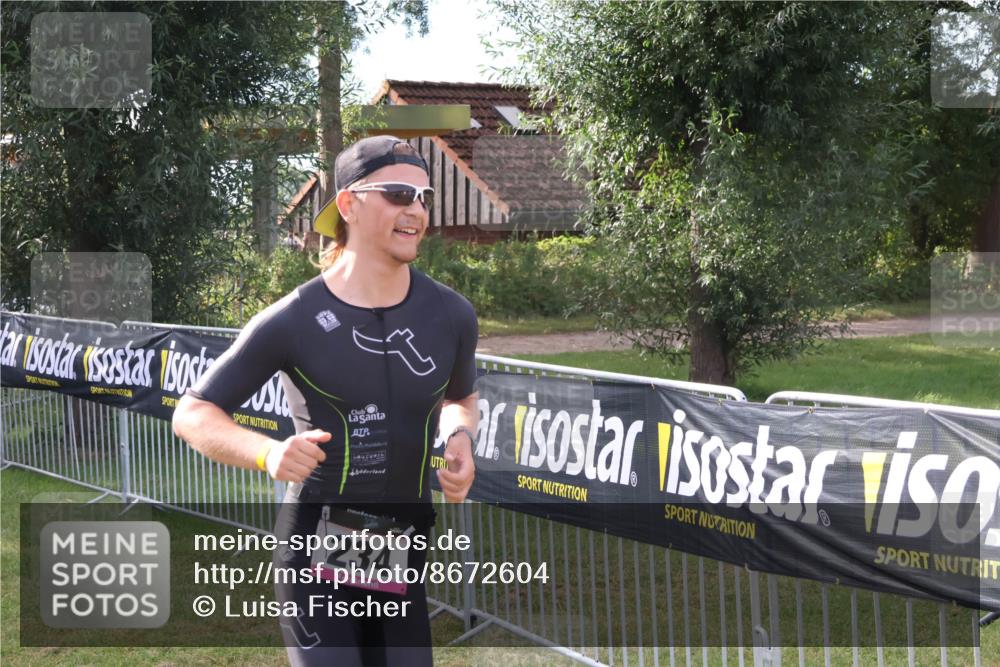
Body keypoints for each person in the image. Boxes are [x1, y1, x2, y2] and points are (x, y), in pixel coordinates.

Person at [172, 134, 479, 666]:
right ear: (349, 204)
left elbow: (461, 397)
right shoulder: (293, 319)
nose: (417, 210)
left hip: (398, 549)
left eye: (424, 197)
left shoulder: (450, 314)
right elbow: (192, 412)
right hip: (316, 549)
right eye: (398, 194)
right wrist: (268, 453)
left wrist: (459, 436)